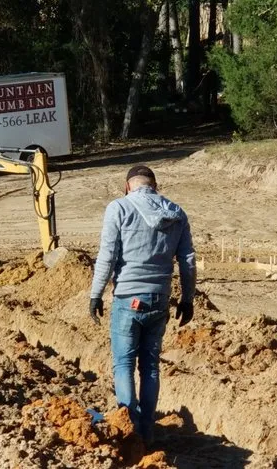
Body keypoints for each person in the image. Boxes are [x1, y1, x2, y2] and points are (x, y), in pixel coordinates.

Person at [89, 165, 196, 444]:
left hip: (128, 298)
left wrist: (96, 294)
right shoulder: (177, 213)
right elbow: (187, 261)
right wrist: (187, 299)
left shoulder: (119, 208)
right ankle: (146, 431)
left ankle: (129, 428)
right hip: (160, 299)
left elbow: (107, 256)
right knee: (150, 366)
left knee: (123, 363)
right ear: (155, 186)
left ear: (127, 186)